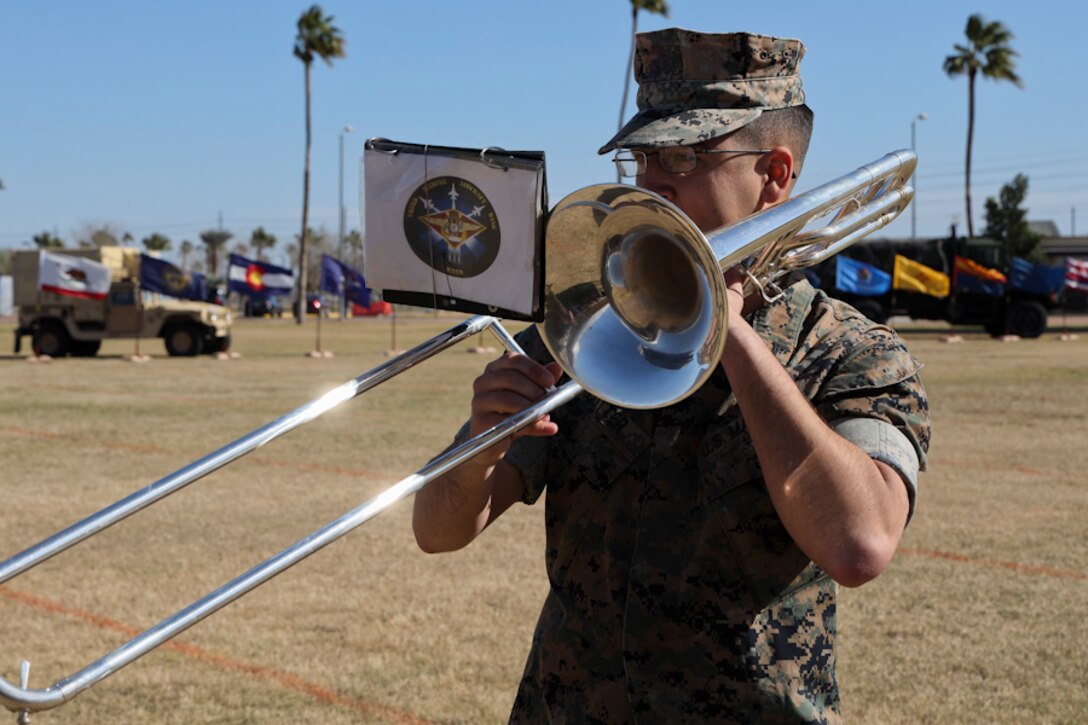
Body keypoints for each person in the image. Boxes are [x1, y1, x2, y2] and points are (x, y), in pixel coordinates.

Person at [413, 28, 930, 723]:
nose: (655, 179)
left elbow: (859, 543)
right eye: (645, 155)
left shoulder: (853, 353)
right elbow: (438, 530)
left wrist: (731, 331)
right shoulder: (589, 321)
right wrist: (481, 442)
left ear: (774, 175)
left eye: (687, 154)